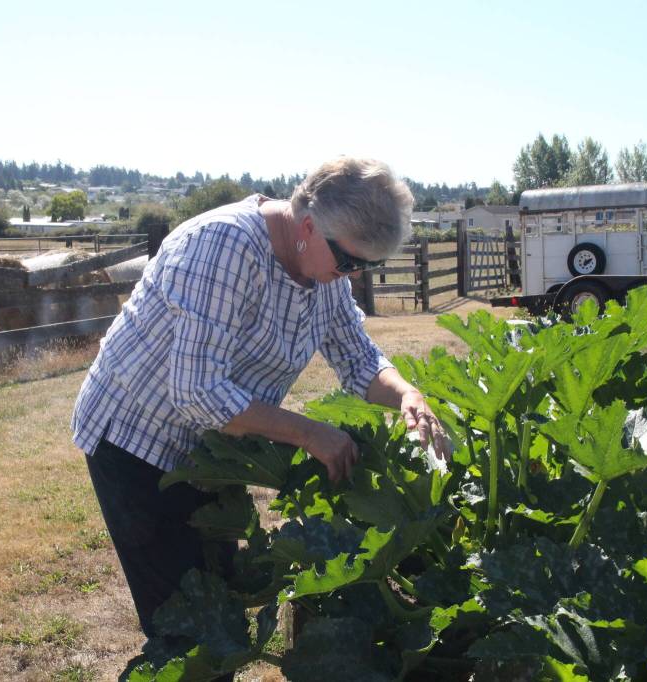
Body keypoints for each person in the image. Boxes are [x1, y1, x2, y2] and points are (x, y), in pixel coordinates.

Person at [71, 157, 448, 679]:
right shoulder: (221, 247)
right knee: (187, 631)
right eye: (348, 262)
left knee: (220, 603)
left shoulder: (326, 272)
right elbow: (197, 391)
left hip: (215, 450)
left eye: (364, 267)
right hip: (138, 442)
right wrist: (310, 433)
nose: (352, 276)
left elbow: (358, 360)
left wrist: (408, 394)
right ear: (310, 225)